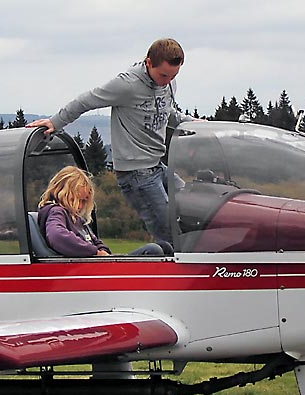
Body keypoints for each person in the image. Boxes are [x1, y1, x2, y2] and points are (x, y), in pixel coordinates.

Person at [27, 38, 195, 246]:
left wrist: (193, 124)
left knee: (193, 205)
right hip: (137, 173)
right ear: (149, 63)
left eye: (174, 76)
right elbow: (87, 100)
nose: (168, 81)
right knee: (169, 234)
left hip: (157, 166)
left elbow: (166, 112)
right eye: (164, 75)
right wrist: (55, 122)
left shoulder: (167, 84)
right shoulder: (127, 84)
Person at [38, 166, 163, 257]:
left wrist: (104, 252)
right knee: (153, 250)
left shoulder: (77, 219)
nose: (80, 206)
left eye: (84, 201)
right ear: (63, 193)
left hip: (96, 264)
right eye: (77, 200)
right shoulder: (56, 212)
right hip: (85, 271)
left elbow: (95, 241)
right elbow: (57, 236)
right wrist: (95, 252)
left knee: (165, 247)